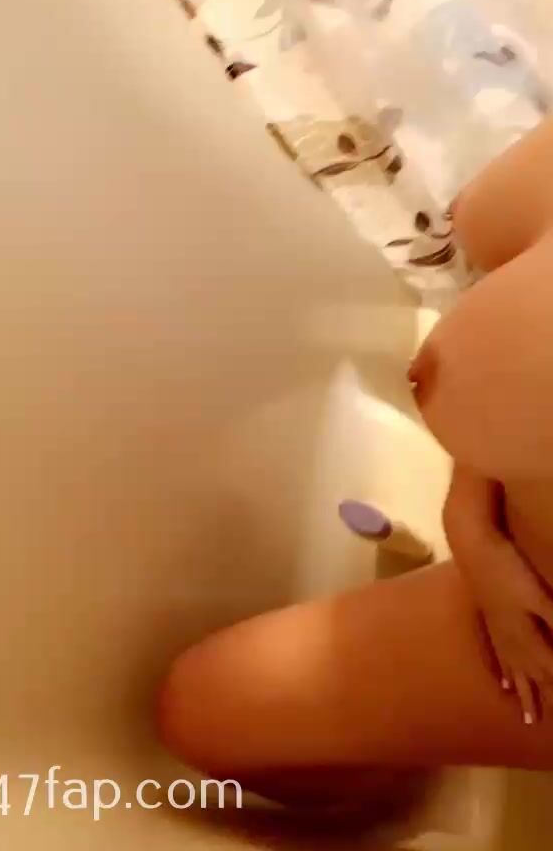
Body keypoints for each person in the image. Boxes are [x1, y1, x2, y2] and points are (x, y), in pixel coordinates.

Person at [157, 118, 553, 802]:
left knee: (205, 715)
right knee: (197, 711)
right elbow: (488, 235)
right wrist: (478, 536)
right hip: (509, 553)